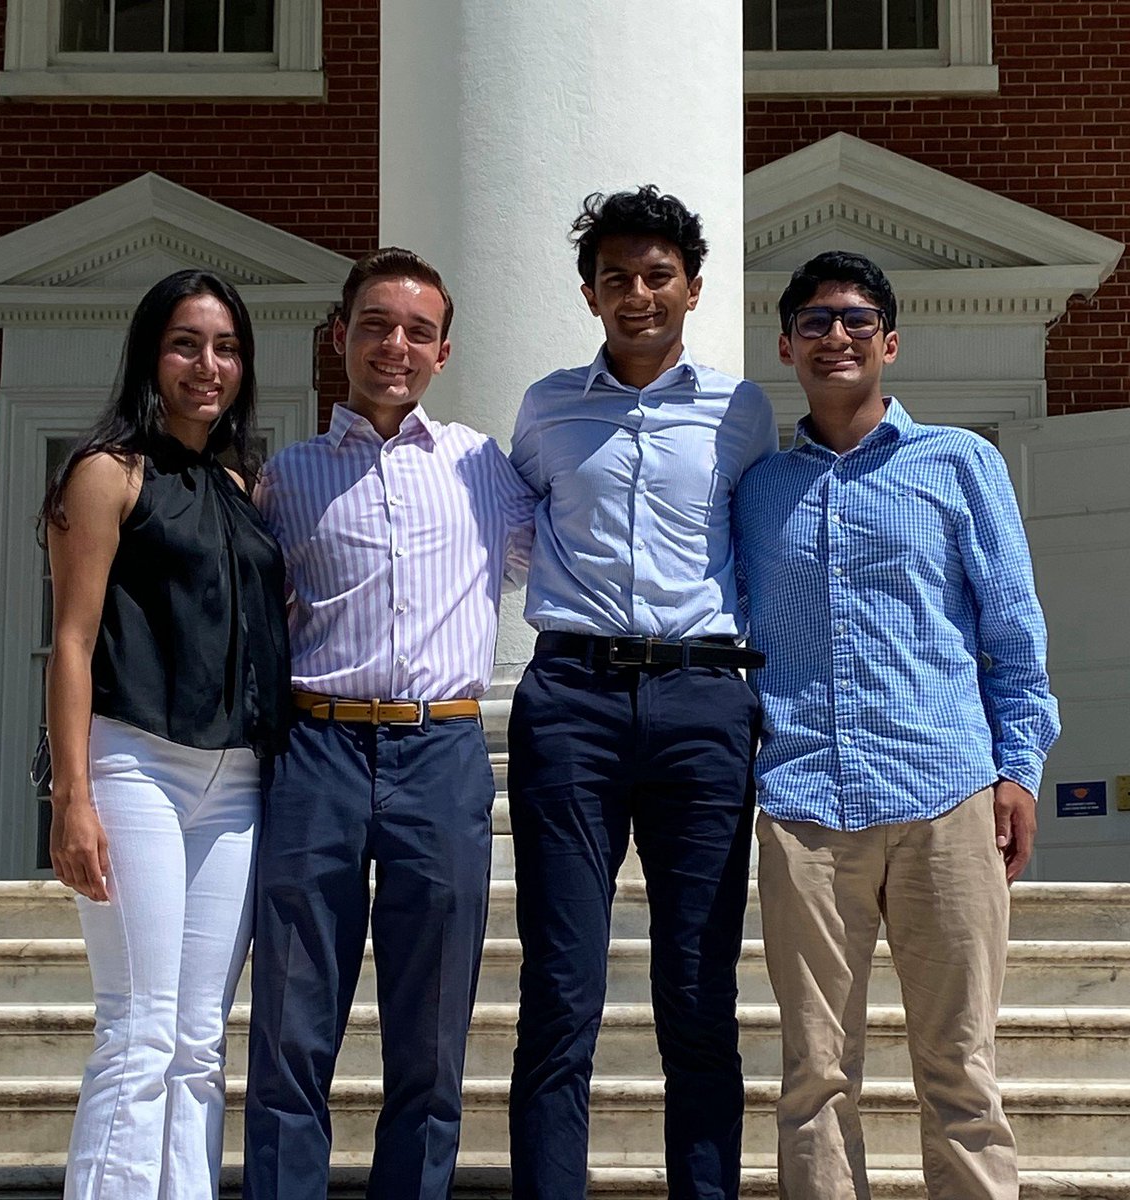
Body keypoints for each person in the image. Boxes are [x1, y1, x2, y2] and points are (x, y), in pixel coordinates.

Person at [734, 250, 1061, 1200]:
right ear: (788, 344)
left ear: (890, 340)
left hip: (945, 798)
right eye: (816, 321)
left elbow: (1013, 631)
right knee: (814, 1080)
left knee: (960, 1071)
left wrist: (1018, 769)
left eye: (858, 319)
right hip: (802, 806)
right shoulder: (759, 489)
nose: (837, 335)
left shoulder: (960, 464)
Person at [242, 247, 537, 1200]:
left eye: (417, 330)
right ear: (340, 338)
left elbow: (576, 554)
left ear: (443, 352)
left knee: (431, 1033)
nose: (394, 345)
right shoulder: (284, 480)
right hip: (315, 749)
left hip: (441, 751)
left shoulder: (485, 470)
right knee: (291, 1024)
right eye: (375, 324)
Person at [506, 185, 777, 1200]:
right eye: (616, 277)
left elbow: (762, 548)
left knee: (698, 990)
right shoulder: (546, 407)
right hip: (571, 700)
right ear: (590, 293)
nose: (638, 293)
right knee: (562, 988)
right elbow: (514, 527)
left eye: (657, 275)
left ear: (693, 289)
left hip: (704, 701)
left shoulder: (739, 412)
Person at [41, 269, 290, 1199]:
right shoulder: (108, 471)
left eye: (225, 348)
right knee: (138, 1028)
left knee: (196, 1041)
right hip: (133, 763)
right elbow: (70, 639)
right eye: (187, 344)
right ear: (152, 354)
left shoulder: (243, 483)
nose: (208, 365)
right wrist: (73, 798)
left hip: (235, 784)